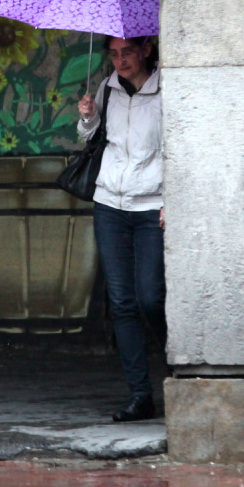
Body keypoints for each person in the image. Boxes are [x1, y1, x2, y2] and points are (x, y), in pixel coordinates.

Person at [77, 35, 166, 423]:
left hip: (151, 207)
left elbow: (180, 147)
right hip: (110, 204)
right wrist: (87, 116)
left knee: (150, 297)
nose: (120, 61)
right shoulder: (107, 89)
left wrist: (172, 201)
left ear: (146, 50)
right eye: (113, 54)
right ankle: (140, 396)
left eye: (127, 52)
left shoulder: (166, 90)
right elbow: (91, 139)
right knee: (122, 302)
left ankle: (180, 369)